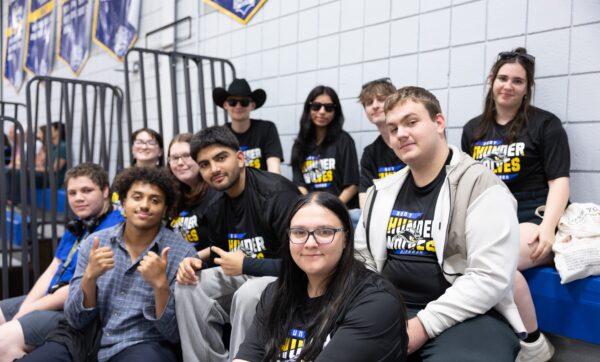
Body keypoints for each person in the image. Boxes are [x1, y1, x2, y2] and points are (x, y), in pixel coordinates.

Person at [356, 86, 525, 361]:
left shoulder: (481, 186)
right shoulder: (381, 192)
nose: (401, 134)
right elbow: (361, 259)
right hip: (390, 309)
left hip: (469, 316)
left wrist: (423, 324)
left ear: (438, 123)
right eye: (393, 128)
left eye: (411, 122)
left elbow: (489, 277)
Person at [20, 166, 197, 362]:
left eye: (155, 200)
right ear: (123, 201)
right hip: (85, 337)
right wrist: (89, 277)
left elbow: (173, 334)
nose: (145, 205)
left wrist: (160, 286)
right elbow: (75, 319)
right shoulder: (95, 243)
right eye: (137, 197)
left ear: (165, 208)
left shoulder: (182, 253)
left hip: (143, 343)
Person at [461, 48, 569, 362]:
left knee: (497, 261)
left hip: (534, 217)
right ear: (491, 80)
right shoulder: (473, 129)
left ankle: (533, 344)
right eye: (503, 77)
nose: (508, 85)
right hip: (491, 218)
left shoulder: (545, 124)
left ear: (527, 88)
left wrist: (549, 228)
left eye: (518, 81)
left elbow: (559, 182)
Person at [175, 125, 301, 362]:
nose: (214, 169)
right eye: (204, 164)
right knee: (188, 286)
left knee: (248, 293)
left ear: (240, 158)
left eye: (220, 158)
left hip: (291, 280)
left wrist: (246, 265)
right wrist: (196, 260)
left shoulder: (277, 194)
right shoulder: (215, 207)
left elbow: (305, 264)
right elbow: (222, 253)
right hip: (249, 273)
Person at [234, 192, 407, 362]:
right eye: (299, 232)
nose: (310, 243)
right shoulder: (276, 293)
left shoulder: (376, 302)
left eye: (324, 232)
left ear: (346, 238)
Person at [0, 163, 123, 361]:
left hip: (74, 310)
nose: (78, 198)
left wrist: (27, 311)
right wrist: (26, 306)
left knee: (3, 340)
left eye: (87, 190)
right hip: (50, 297)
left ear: (106, 191)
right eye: (72, 193)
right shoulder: (78, 224)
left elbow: (79, 287)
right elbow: (52, 270)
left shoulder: (115, 227)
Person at [291, 85, 360, 210]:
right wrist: (311, 207)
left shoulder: (344, 140)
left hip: (341, 210)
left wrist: (331, 209)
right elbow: (299, 184)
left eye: (328, 108)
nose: (322, 112)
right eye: (316, 106)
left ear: (335, 111)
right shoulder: (299, 144)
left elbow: (352, 185)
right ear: (309, 108)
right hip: (311, 210)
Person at [213, 78, 283, 174]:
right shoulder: (220, 134)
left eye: (244, 102)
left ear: (252, 105)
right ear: (225, 105)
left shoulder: (267, 129)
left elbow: (274, 170)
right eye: (232, 102)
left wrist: (273, 188)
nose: (238, 106)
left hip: (263, 187)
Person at [357, 78, 405, 208]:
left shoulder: (409, 139)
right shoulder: (370, 153)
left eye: (381, 99)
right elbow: (364, 195)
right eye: (369, 102)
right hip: (381, 213)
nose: (375, 105)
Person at [166, 133, 215, 259]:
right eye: (175, 158)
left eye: (187, 156)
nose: (181, 162)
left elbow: (225, 242)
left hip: (213, 269)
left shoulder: (217, 192)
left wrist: (192, 258)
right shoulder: (171, 196)